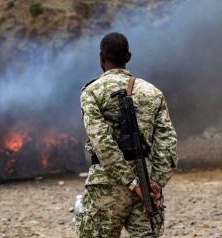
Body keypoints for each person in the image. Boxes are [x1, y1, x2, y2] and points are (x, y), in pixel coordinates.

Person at [77, 32, 178, 238]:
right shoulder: (152, 92)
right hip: (147, 184)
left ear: (102, 58)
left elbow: (102, 144)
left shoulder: (92, 92)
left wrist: (132, 183)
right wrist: (156, 184)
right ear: (128, 57)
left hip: (107, 184)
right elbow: (167, 143)